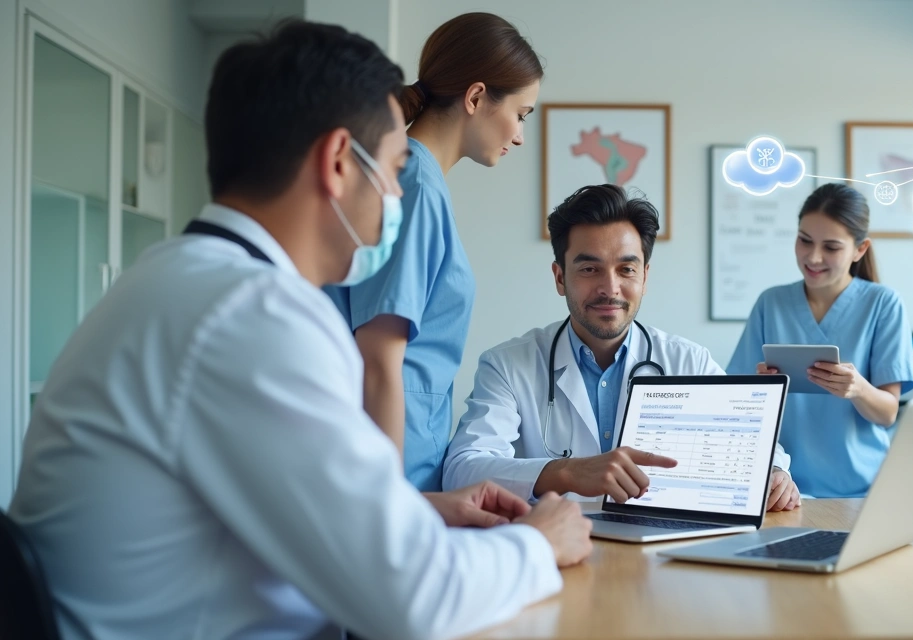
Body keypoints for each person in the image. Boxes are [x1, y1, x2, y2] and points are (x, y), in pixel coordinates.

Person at [8, 21, 590, 640]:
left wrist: (411, 510)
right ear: (339, 162)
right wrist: (537, 542)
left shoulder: (174, 281)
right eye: (394, 168)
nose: (398, 192)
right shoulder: (251, 317)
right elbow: (411, 598)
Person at [444, 184, 800, 511]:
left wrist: (775, 474)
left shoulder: (688, 360)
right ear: (559, 277)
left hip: (661, 549)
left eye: (626, 269)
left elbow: (753, 448)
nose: (609, 288)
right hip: (551, 547)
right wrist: (567, 473)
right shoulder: (508, 364)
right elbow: (463, 469)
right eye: (589, 269)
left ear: (645, 277)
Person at [324, 12, 543, 491]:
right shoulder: (415, 184)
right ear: (477, 97)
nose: (520, 135)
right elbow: (379, 358)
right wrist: (386, 508)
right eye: (521, 115)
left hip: (407, 463)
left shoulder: (416, 179)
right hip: (389, 473)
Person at [727, 183, 913, 498]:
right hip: (781, 490)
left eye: (831, 247)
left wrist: (857, 388)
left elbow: (887, 412)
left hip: (863, 491)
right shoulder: (771, 304)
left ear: (860, 249)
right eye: (804, 241)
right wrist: (759, 390)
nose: (813, 257)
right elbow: (737, 402)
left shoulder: (883, 305)